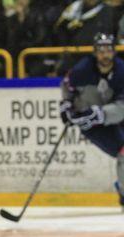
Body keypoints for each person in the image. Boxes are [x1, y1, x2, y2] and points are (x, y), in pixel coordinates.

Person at [61, 33, 124, 209]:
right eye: (101, 50)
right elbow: (68, 86)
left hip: (118, 118)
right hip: (94, 126)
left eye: (109, 50)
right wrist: (66, 104)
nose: (105, 54)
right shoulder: (82, 69)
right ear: (95, 52)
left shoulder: (122, 71)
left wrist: (100, 113)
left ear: (114, 52)